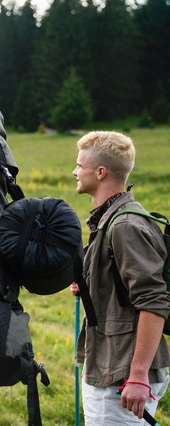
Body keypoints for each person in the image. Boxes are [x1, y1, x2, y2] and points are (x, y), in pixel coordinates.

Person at [70, 131, 170, 424]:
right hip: (115, 364)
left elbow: (153, 300)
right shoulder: (114, 217)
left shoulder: (124, 225)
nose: (75, 171)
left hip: (122, 372)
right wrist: (91, 286)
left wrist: (138, 376)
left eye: (79, 165)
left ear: (101, 172)